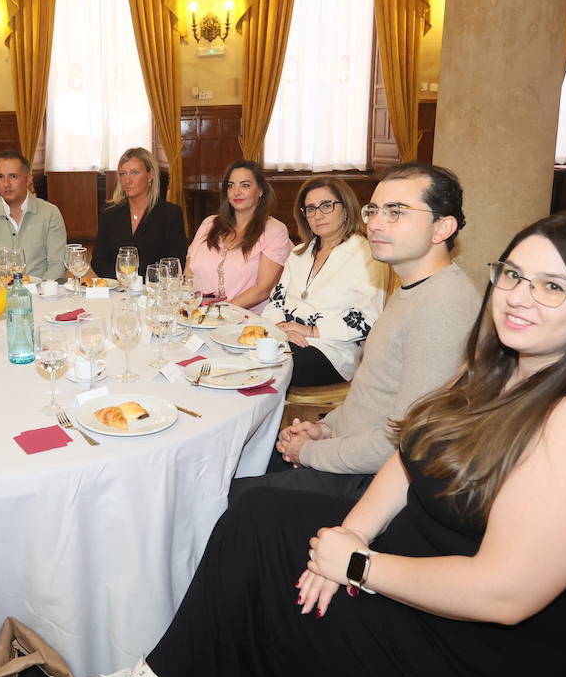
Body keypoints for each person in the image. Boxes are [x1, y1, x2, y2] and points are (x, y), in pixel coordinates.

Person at [49, 211, 566, 677]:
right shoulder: (512, 363)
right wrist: (347, 536)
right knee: (257, 516)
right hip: (422, 571)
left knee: (257, 617)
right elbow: (411, 451)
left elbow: (504, 595)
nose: (518, 297)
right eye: (511, 274)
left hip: (479, 659)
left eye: (552, 287)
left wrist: (356, 565)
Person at [235, 162, 479, 498]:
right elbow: (371, 399)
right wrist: (323, 429)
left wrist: (310, 451)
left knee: (237, 500)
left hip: (368, 481)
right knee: (235, 475)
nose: (375, 223)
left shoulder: (443, 306)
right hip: (348, 443)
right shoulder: (414, 288)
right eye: (374, 210)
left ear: (442, 228)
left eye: (396, 212)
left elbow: (405, 441)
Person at [261, 177, 384, 388]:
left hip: (333, 348)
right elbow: (276, 301)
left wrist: (310, 331)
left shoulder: (366, 253)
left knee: (272, 366)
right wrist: (283, 330)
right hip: (286, 337)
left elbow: (368, 318)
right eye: (310, 208)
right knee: (250, 352)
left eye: (326, 206)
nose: (318, 215)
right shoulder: (299, 253)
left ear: (345, 208)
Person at [185, 160, 291, 310]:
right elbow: (188, 273)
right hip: (198, 315)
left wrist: (220, 312)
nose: (236, 192)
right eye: (231, 185)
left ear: (260, 190)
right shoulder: (209, 224)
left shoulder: (274, 230)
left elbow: (263, 290)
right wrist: (189, 307)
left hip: (245, 322)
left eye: (245, 185)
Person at [90, 148, 187, 280]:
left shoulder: (170, 214)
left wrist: (140, 283)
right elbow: (98, 262)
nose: (127, 180)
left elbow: (175, 263)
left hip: (154, 293)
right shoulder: (110, 214)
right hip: (117, 290)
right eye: (123, 174)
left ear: (150, 174)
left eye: (135, 173)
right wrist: (124, 282)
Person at [0, 150, 66, 280]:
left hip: (41, 294)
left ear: (29, 178)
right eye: (0, 177)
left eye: (13, 176)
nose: (6, 184)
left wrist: (40, 293)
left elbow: (57, 265)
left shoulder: (50, 214)